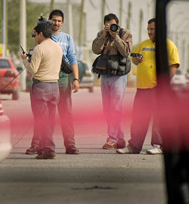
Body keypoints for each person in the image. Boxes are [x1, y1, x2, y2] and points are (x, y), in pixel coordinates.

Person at [116, 18, 180, 154]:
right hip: (142, 88)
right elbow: (134, 59)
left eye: (152, 29)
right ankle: (134, 146)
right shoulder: (143, 44)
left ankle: (159, 145)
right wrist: (136, 60)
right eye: (148, 29)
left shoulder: (168, 45)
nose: (149, 32)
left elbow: (173, 65)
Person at [25, 9, 80, 155]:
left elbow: (73, 58)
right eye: (53, 20)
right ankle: (36, 145)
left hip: (61, 78)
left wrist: (76, 78)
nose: (56, 23)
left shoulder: (67, 38)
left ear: (62, 23)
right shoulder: (43, 36)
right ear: (49, 22)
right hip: (48, 76)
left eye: (59, 21)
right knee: (43, 115)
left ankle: (70, 145)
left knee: (65, 113)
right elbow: (34, 37)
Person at [21, 21, 62, 159]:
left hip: (41, 87)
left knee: (41, 120)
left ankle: (48, 149)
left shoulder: (39, 48)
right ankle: (45, 148)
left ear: (41, 33)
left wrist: (25, 60)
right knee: (50, 120)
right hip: (54, 86)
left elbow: (33, 70)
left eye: (35, 34)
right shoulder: (58, 47)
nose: (35, 37)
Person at [92, 13, 133, 150]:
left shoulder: (125, 33)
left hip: (119, 76)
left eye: (114, 24)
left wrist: (116, 36)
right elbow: (95, 49)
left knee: (116, 108)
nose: (112, 27)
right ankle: (120, 138)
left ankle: (112, 138)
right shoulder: (102, 34)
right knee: (107, 109)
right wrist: (104, 35)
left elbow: (126, 51)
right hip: (105, 75)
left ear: (118, 23)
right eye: (109, 25)